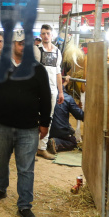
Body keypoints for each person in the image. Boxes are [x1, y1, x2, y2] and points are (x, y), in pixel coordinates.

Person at [0, 28, 51, 217]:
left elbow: (45, 98)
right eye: (21, 43)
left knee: (26, 168)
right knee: (0, 161)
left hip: (28, 128)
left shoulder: (38, 69)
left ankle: (24, 205)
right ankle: (1, 188)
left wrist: (45, 123)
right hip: (1, 125)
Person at [37, 24, 64, 160]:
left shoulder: (57, 51)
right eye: (43, 33)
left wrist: (61, 91)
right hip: (37, 89)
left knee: (49, 116)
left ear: (52, 35)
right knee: (34, 116)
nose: (46, 36)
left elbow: (58, 72)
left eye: (48, 33)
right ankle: (31, 148)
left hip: (52, 89)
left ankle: (41, 148)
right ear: (40, 35)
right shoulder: (36, 50)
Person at [49, 81, 84, 152]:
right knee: (72, 142)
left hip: (46, 129)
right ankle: (56, 142)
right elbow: (79, 115)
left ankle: (48, 141)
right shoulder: (68, 98)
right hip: (60, 130)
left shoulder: (46, 95)